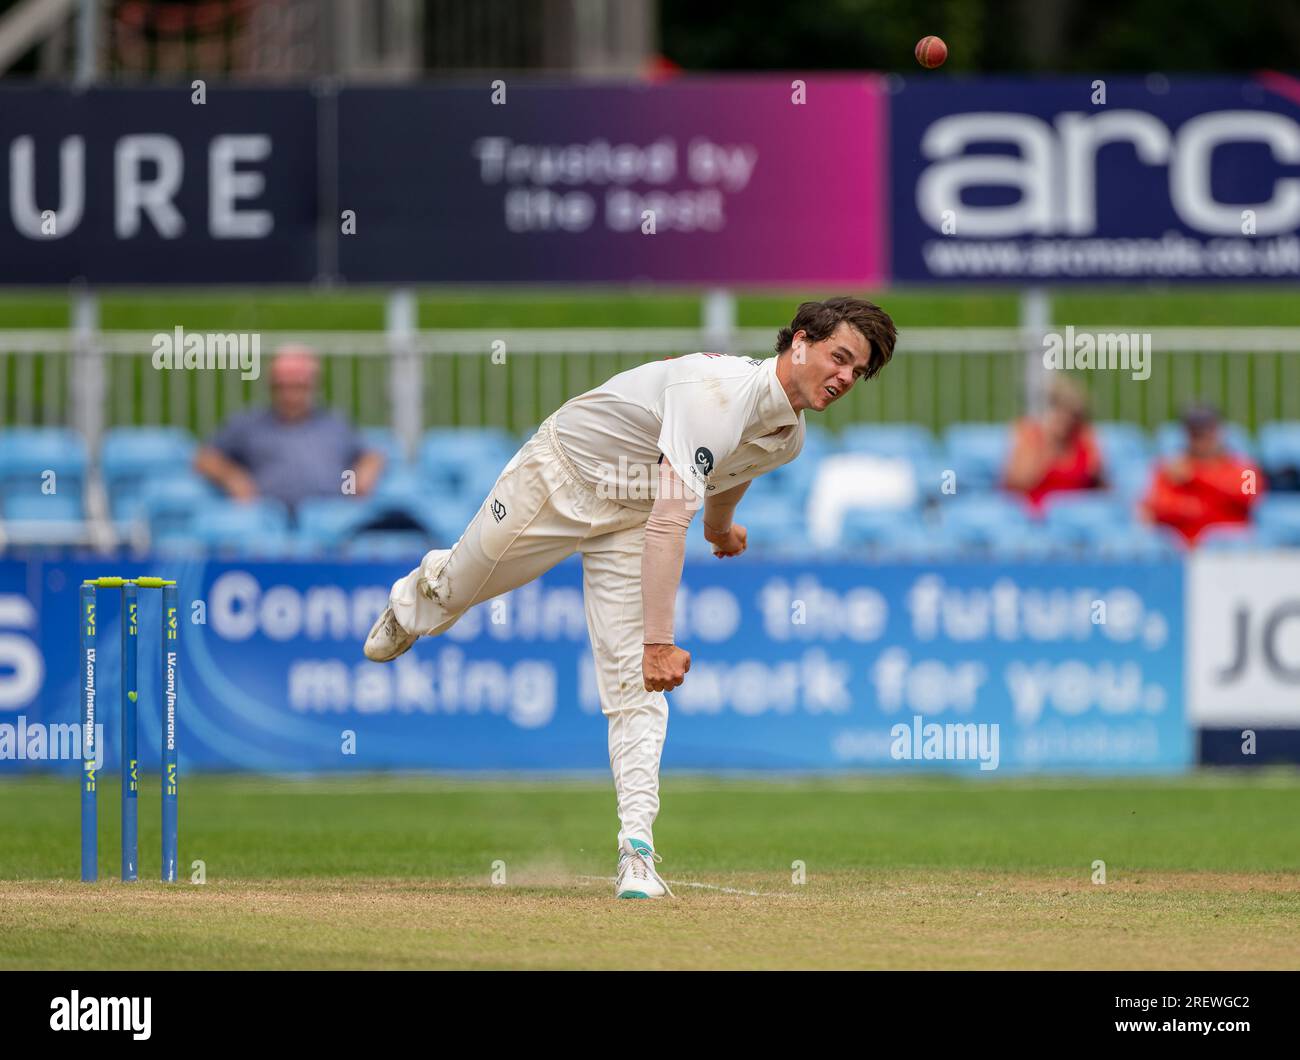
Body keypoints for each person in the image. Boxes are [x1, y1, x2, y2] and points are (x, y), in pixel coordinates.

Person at [364, 297, 897, 899]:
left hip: (631, 516)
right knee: (459, 589)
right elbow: (674, 522)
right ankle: (418, 593)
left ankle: (636, 852)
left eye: (859, 372)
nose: (846, 377)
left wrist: (721, 529)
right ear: (799, 342)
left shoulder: (790, 437)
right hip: (564, 474)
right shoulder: (716, 394)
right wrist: (660, 642)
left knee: (635, 690)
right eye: (840, 358)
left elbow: (730, 471)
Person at [194, 346, 385, 511]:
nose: (290, 395)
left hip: (330, 518)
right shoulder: (247, 424)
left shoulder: (335, 424)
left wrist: (361, 476)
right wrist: (233, 478)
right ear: (271, 387)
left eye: (298, 386)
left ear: (314, 386)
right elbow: (205, 458)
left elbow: (369, 456)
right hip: (267, 520)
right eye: (282, 387)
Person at [1143, 405, 1263, 545]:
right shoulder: (1170, 468)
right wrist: (1200, 507)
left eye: (1207, 433)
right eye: (1196, 434)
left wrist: (1195, 478)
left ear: (1219, 432)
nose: (1202, 441)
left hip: (1230, 550)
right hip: (1184, 548)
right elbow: (1159, 506)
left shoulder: (1243, 467)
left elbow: (1249, 496)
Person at [1002, 377, 1104, 510]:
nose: (1066, 421)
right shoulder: (1031, 436)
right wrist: (1048, 446)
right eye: (1061, 413)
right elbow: (1018, 483)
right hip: (1037, 516)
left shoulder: (1084, 439)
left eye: (1073, 415)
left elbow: (1096, 480)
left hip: (1077, 514)